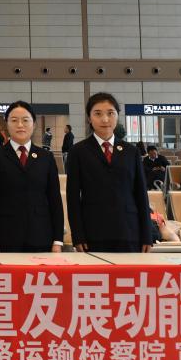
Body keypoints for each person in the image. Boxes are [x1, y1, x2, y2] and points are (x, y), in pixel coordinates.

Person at [65, 92, 152, 253]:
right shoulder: (78, 151)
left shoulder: (131, 151)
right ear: (89, 118)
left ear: (117, 116)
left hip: (129, 230)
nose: (105, 119)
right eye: (98, 114)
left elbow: (141, 194)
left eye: (110, 113)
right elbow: (73, 197)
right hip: (93, 232)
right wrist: (78, 235)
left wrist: (147, 235)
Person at [0, 100, 63, 254]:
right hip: (7, 235)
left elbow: (54, 199)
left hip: (42, 234)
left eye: (25, 120)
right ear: (7, 124)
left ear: (34, 124)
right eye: (14, 120)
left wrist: (57, 240)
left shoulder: (46, 157)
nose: (20, 125)